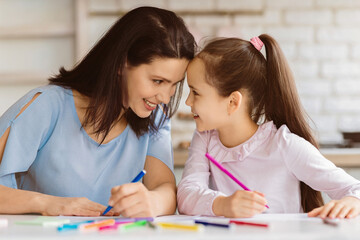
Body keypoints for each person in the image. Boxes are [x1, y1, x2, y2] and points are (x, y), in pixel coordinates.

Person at [0, 6, 195, 217]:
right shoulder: (46, 106)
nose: (166, 98)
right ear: (121, 64)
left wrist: (153, 202)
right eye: (157, 81)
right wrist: (48, 204)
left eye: (175, 84)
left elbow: (165, 188)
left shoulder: (154, 116)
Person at [177, 35, 360, 219]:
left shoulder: (284, 145)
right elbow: (186, 195)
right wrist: (222, 204)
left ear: (233, 102)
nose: (188, 101)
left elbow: (354, 189)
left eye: (195, 92)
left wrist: (352, 201)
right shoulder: (205, 138)